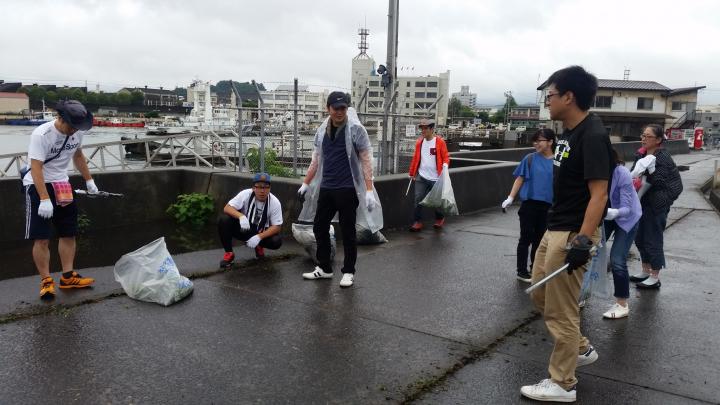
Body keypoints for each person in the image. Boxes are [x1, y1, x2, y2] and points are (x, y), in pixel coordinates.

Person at [521, 66, 614, 403]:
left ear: (569, 97)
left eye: (551, 95)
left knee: (561, 309)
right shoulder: (570, 133)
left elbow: (600, 194)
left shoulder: (592, 135)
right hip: (555, 225)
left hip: (573, 232)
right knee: (539, 293)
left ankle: (563, 383)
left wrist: (584, 240)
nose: (547, 101)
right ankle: (582, 348)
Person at [297, 92, 380, 288]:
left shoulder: (356, 130)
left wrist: (369, 189)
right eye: (336, 108)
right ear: (328, 108)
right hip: (327, 187)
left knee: (348, 231)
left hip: (348, 188)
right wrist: (306, 182)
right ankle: (324, 268)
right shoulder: (322, 130)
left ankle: (349, 271)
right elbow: (316, 159)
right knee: (319, 226)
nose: (340, 112)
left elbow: (366, 160)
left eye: (343, 108)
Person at [22, 100, 99, 300]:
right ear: (60, 118)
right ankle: (46, 281)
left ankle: (67, 276)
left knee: (68, 232)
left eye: (78, 127)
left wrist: (89, 180)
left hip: (62, 184)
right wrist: (44, 198)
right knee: (41, 237)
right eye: (71, 126)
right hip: (39, 185)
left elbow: (78, 155)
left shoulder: (77, 131)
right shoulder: (42, 134)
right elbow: (36, 167)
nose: (74, 131)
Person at [629, 124, 683, 289]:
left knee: (653, 238)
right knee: (640, 237)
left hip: (656, 205)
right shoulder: (642, 154)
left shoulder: (663, 157)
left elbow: (660, 182)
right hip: (641, 202)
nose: (643, 139)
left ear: (658, 140)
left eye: (648, 136)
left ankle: (654, 276)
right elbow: (632, 173)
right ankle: (645, 271)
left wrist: (650, 171)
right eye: (643, 135)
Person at [501, 128, 556, 283]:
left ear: (550, 142)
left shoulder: (558, 162)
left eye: (540, 140)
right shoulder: (530, 158)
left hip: (548, 207)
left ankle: (536, 269)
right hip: (529, 204)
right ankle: (521, 271)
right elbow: (520, 179)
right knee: (526, 238)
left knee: (540, 240)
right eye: (535, 140)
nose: (536, 143)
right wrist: (510, 198)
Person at [602, 148, 642, 318]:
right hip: (605, 214)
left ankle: (622, 304)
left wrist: (613, 213)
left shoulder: (622, 173)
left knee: (617, 259)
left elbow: (626, 207)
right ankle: (584, 293)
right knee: (589, 254)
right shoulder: (592, 172)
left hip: (627, 217)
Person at [218, 172, 283, 268]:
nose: (262, 191)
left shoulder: (275, 202)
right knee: (224, 220)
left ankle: (259, 246)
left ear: (270, 188)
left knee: (276, 241)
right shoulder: (245, 194)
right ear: (253, 188)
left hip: (261, 231)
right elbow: (227, 208)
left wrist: (259, 237)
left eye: (265, 187)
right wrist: (241, 216)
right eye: (259, 187)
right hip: (245, 228)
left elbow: (277, 227)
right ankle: (229, 253)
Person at [407, 118, 450, 231]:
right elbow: (416, 158)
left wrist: (445, 165)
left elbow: (446, 156)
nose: (423, 131)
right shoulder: (419, 143)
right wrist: (412, 172)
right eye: (422, 128)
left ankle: (440, 218)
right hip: (422, 175)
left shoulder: (439, 142)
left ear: (432, 129)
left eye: (425, 128)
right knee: (418, 198)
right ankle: (417, 222)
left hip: (436, 177)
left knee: (436, 200)